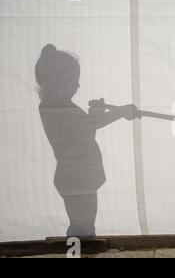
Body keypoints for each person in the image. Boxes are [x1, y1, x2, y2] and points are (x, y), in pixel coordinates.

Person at [35, 44, 139, 237]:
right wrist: (120, 111)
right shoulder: (56, 109)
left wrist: (97, 112)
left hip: (76, 176)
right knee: (82, 228)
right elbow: (89, 124)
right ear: (57, 82)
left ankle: (77, 252)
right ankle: (75, 253)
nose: (77, 86)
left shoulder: (52, 106)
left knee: (82, 225)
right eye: (73, 81)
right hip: (78, 177)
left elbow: (84, 129)